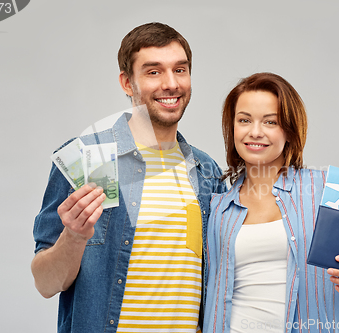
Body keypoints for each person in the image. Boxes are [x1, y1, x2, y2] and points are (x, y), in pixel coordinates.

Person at [31, 22, 226, 333]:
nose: (171, 83)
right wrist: (74, 236)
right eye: (153, 72)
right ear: (126, 82)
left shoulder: (206, 171)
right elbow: (45, 282)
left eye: (180, 69)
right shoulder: (85, 158)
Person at [203, 72, 339, 333]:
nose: (255, 132)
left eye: (270, 122)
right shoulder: (218, 207)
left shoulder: (324, 190)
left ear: (290, 130)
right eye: (244, 120)